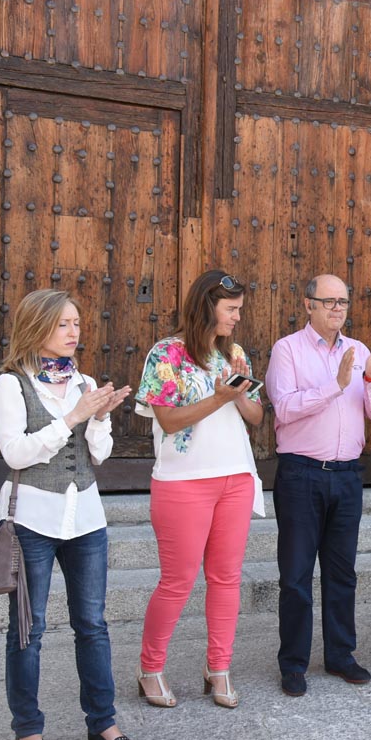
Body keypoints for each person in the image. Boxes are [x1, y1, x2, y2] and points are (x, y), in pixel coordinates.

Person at [0, 290, 136, 740]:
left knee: (93, 625)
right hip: (31, 520)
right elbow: (14, 453)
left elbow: (99, 455)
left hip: (86, 519)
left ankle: (103, 721)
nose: (75, 332)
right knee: (27, 631)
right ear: (38, 328)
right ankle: (28, 729)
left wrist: (97, 417)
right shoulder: (11, 384)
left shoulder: (85, 381)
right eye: (64, 325)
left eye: (77, 323)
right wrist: (71, 417)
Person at [135, 270, 265, 709]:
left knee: (226, 579)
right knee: (177, 581)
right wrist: (220, 398)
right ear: (207, 306)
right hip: (183, 482)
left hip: (234, 476)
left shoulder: (234, 353)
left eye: (240, 310)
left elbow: (255, 417)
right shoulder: (166, 353)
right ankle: (150, 668)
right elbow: (168, 420)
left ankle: (219, 669)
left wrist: (241, 391)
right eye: (231, 310)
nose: (237, 318)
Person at [265, 274, 371, 696]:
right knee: (297, 575)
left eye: (343, 301)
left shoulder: (357, 351)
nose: (338, 308)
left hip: (347, 475)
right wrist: (335, 385)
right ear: (308, 305)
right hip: (302, 474)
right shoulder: (288, 350)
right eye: (329, 301)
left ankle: (340, 655)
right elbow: (283, 408)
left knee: (343, 573)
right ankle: (294, 663)